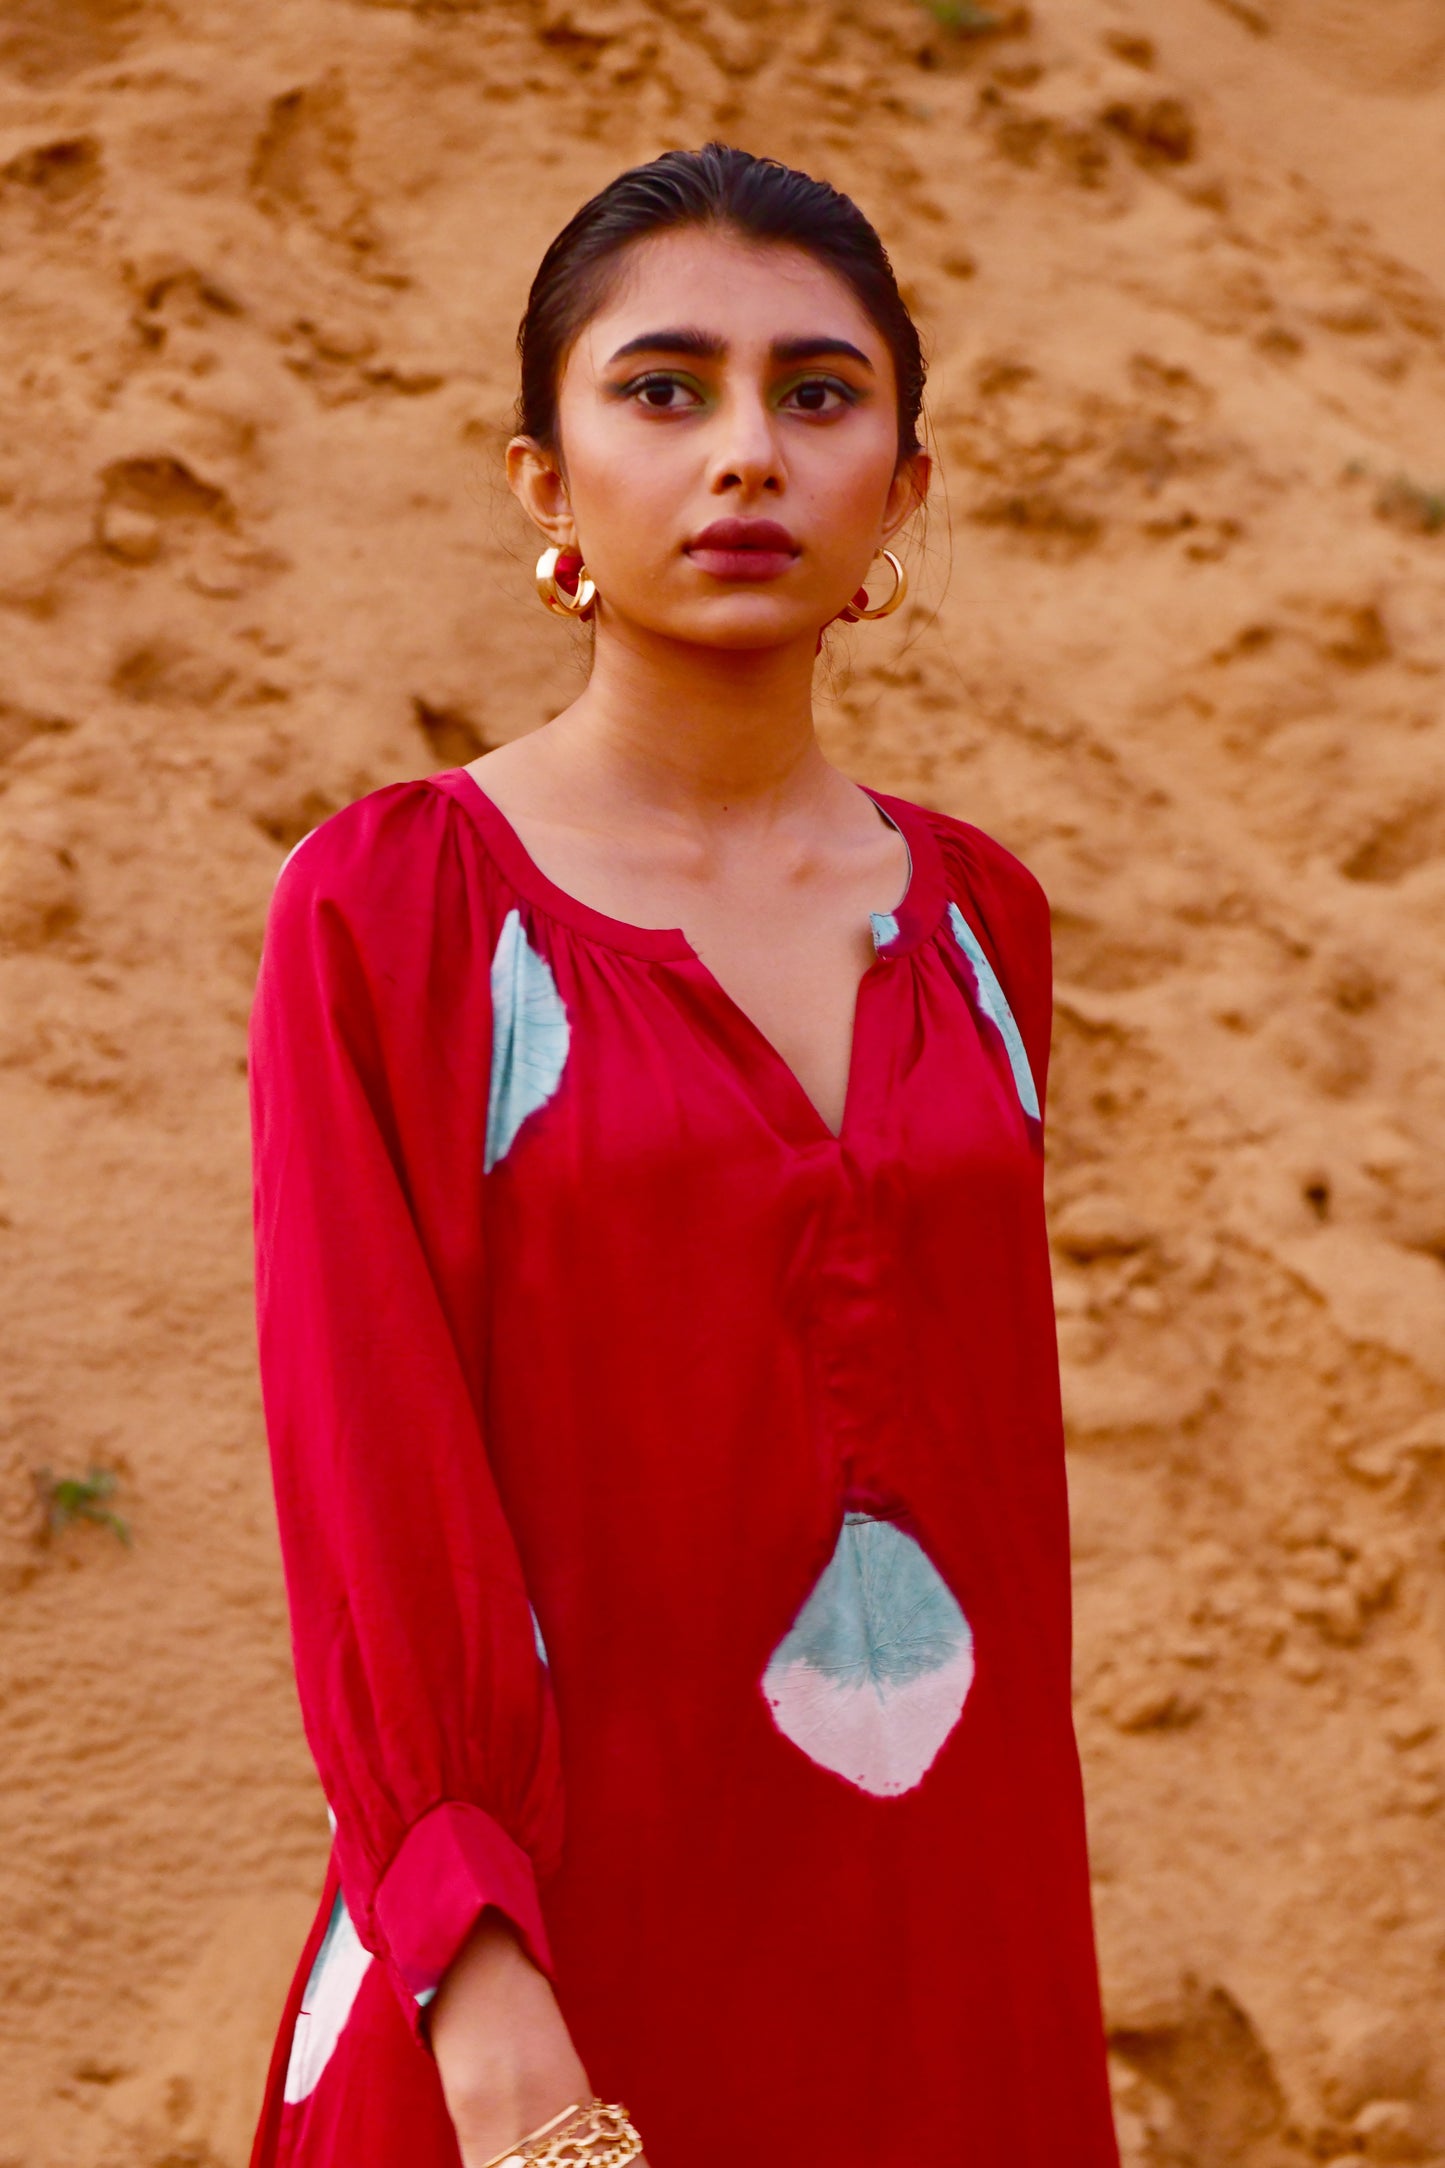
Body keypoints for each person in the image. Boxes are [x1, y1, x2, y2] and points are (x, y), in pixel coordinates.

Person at [248, 144, 1119, 2168]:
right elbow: (367, 1461)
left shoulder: (983, 920)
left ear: (903, 482)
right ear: (545, 480)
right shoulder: (398, 907)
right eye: (663, 389)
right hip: (551, 1951)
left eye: (819, 395)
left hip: (945, 1944)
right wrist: (479, 1980)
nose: (746, 454)